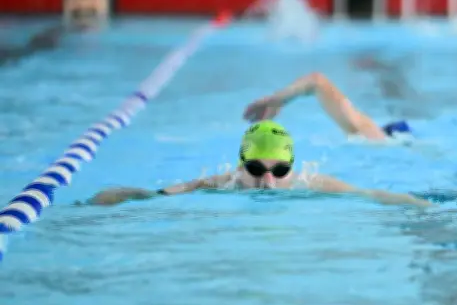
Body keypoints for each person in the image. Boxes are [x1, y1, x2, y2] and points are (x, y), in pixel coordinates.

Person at [85, 120, 431, 208]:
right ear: (240, 168)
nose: (268, 181)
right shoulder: (223, 183)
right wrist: (123, 196)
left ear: (291, 169)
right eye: (255, 170)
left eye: (279, 171)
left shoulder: (310, 183)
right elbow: (159, 194)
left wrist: (420, 205)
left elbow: (369, 195)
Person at [243, 72, 412, 141]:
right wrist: (277, 100)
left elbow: (317, 81)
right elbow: (317, 82)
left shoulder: (372, 135)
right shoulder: (377, 138)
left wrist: (278, 99)